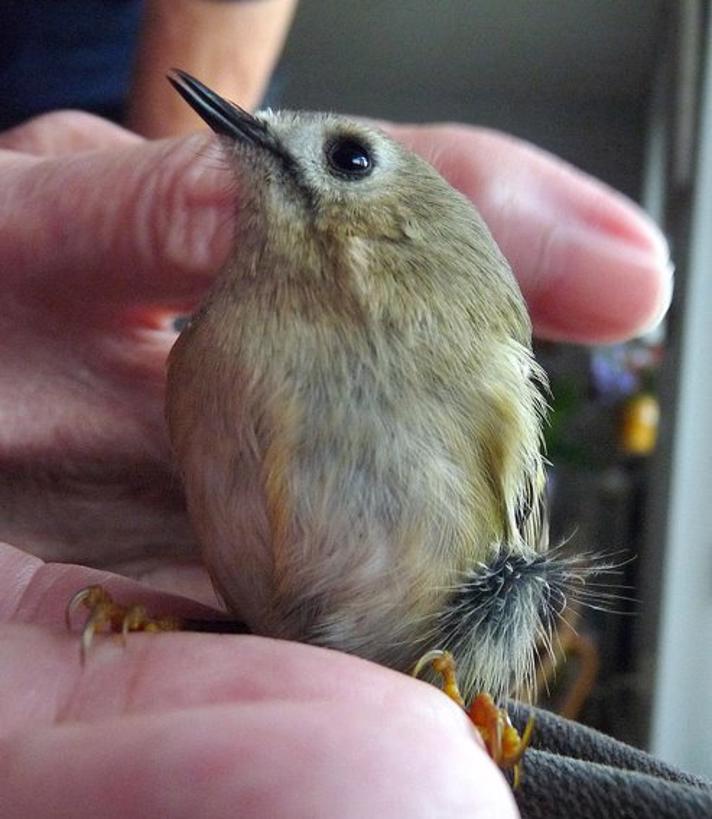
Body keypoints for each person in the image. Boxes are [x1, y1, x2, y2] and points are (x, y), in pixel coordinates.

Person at [0, 2, 672, 817]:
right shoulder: (204, 353)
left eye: (348, 159)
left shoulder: (479, 364)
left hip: (410, 688)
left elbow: (506, 586)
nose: (261, 145)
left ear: (410, 237)